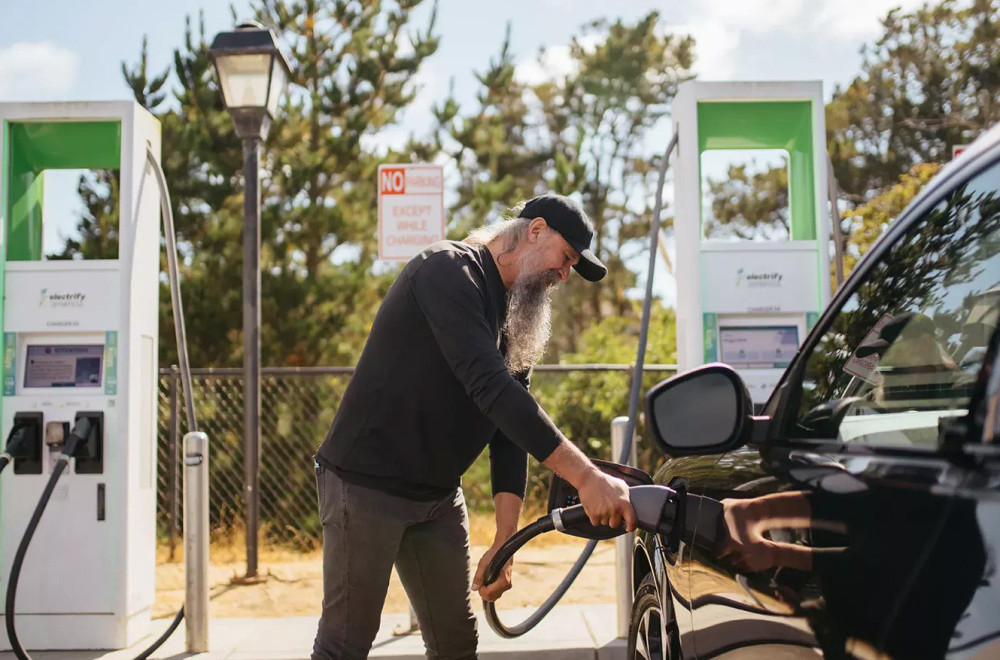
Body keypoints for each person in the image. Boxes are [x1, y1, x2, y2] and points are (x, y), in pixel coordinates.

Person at [311, 193, 638, 660]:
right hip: (364, 486)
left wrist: (506, 538)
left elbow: (508, 426)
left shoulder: (516, 313)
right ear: (536, 229)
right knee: (346, 644)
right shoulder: (445, 271)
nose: (564, 275)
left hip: (437, 497)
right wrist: (585, 477)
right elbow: (490, 388)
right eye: (566, 259)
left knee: (456, 644)